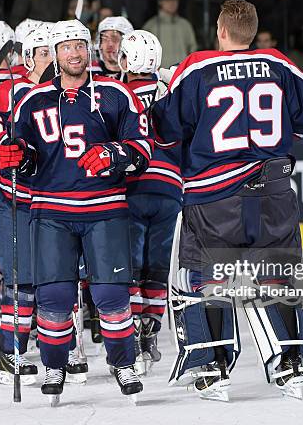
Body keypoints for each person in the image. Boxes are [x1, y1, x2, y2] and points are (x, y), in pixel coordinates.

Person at [153, 0, 303, 401]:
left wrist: (159, 95)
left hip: (215, 196)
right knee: (275, 277)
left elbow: (167, 131)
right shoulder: (282, 64)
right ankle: (292, 366)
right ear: (255, 31)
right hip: (274, 193)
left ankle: (211, 369)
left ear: (221, 31)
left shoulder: (197, 66)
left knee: (204, 281)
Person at [0, 19, 152, 405]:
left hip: (105, 210)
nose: (76, 53)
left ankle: (123, 363)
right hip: (51, 211)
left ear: (91, 49)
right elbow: (23, 158)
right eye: (67, 47)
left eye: (81, 45)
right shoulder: (31, 101)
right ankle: (55, 365)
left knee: (112, 295)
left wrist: (115, 154)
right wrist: (16, 157)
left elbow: (142, 150)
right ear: (54, 53)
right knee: (53, 296)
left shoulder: (117, 94)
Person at [0, 25, 53, 386]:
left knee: (55, 279)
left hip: (51, 200)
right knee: (19, 280)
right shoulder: (9, 91)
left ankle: (60, 349)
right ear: (29, 58)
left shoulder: (62, 94)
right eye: (44, 53)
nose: (52, 59)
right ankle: (10, 351)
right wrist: (8, 151)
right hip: (15, 199)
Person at [119, 30, 182, 375]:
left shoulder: (115, 93)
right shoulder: (173, 93)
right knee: (157, 267)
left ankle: (130, 336)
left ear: (126, 61)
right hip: (170, 190)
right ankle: (151, 331)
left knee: (130, 268)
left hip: (132, 188)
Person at [143, 0, 198, 68]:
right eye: (168, 0)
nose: (172, 3)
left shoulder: (185, 25)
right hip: (160, 76)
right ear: (160, 2)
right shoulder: (151, 26)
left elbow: (193, 51)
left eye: (175, 0)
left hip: (182, 74)